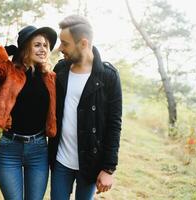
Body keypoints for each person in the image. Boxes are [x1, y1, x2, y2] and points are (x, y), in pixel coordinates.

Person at [0, 25, 57, 200]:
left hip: (38, 150)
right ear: (26, 47)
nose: (43, 49)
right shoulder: (9, 73)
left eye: (45, 45)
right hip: (10, 150)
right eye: (37, 45)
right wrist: (9, 51)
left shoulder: (50, 77)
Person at [48, 15, 122, 200]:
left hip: (90, 163)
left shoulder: (108, 76)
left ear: (83, 43)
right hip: (60, 161)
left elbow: (114, 124)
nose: (59, 49)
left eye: (65, 44)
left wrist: (108, 168)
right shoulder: (60, 70)